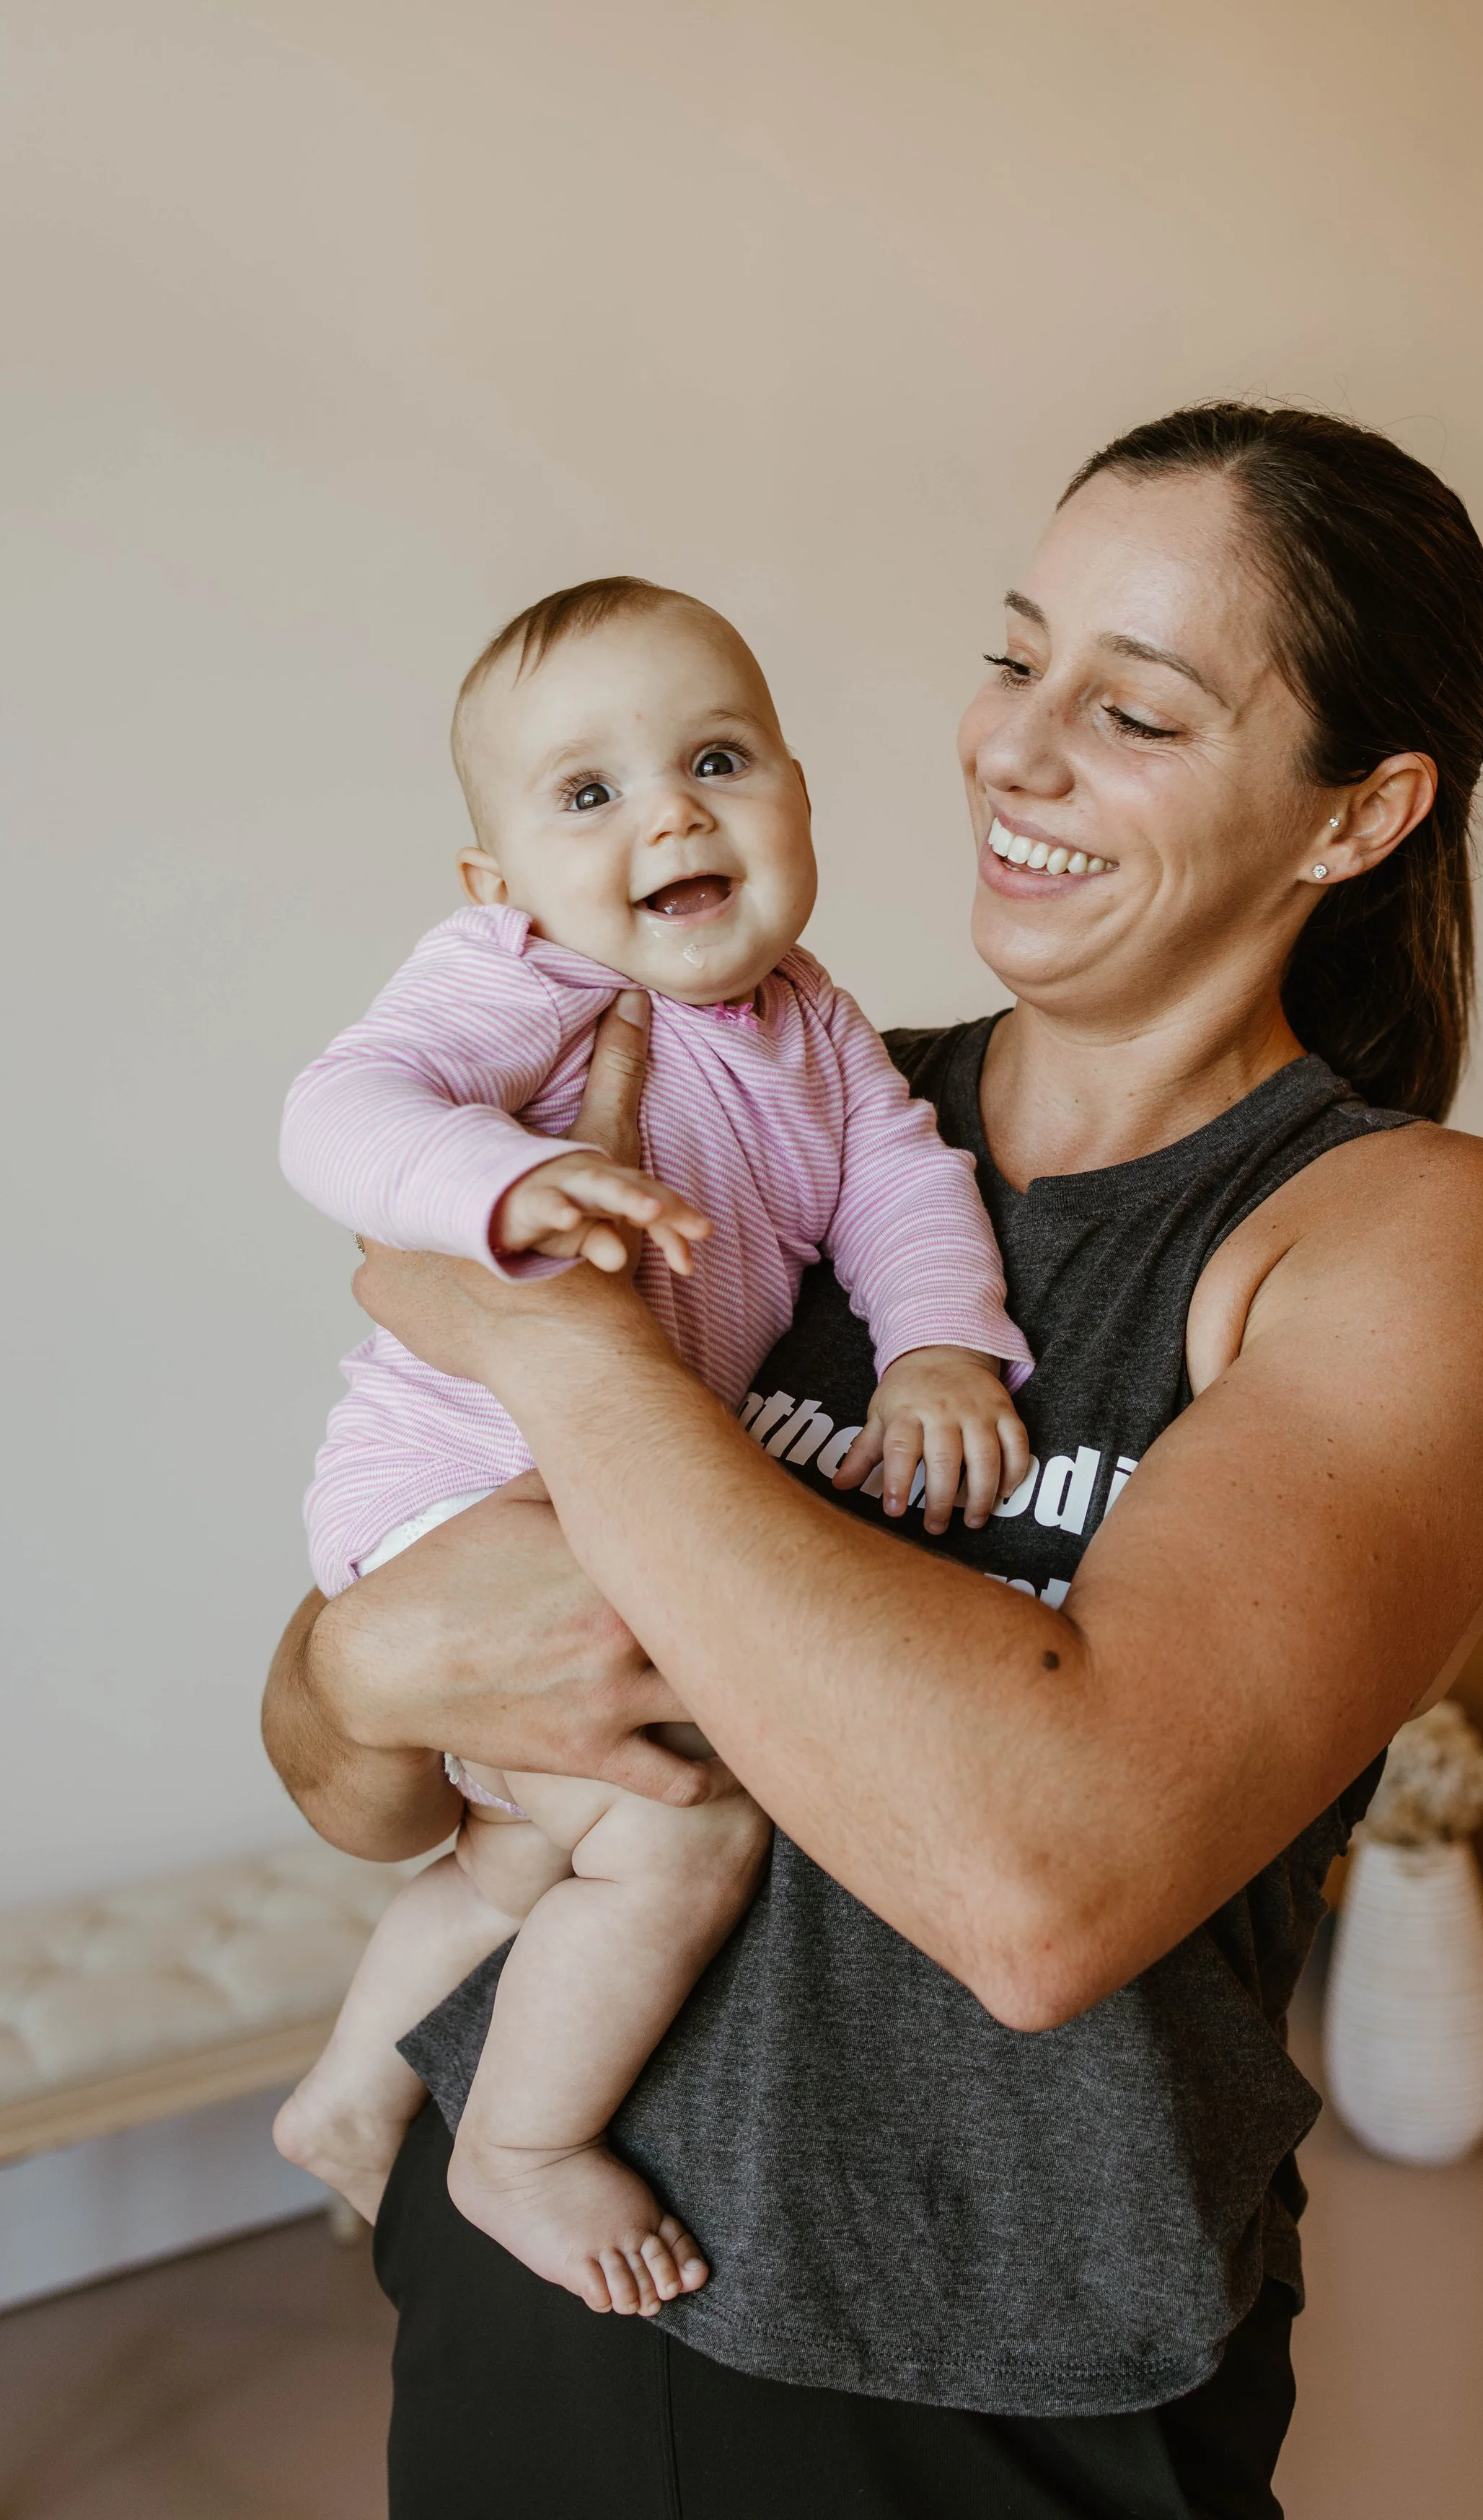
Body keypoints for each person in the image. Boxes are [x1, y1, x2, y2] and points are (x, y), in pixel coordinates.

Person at [263, 403, 1483, 2520]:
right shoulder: (754, 1097)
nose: (1012, 752)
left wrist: (555, 1343)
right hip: (527, 2289)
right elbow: (359, 1774)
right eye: (1012, 657)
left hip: (986, 2393)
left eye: (1131, 709)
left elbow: (1038, 1892)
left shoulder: (1403, 1240)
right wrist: (352, 1672)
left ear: (1357, 814)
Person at [273, 574, 1031, 2306]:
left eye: (716, 761)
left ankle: (346, 2092)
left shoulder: (818, 1025)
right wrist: (509, 1180)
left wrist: (937, 1351)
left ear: (799, 797)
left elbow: (901, 1189)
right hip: (454, 1487)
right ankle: (519, 2149)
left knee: (527, 1846)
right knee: (687, 1822)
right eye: (587, 793)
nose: (672, 815)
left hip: (582, 1492)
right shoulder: (524, 978)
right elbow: (336, 1112)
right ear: (498, 881)